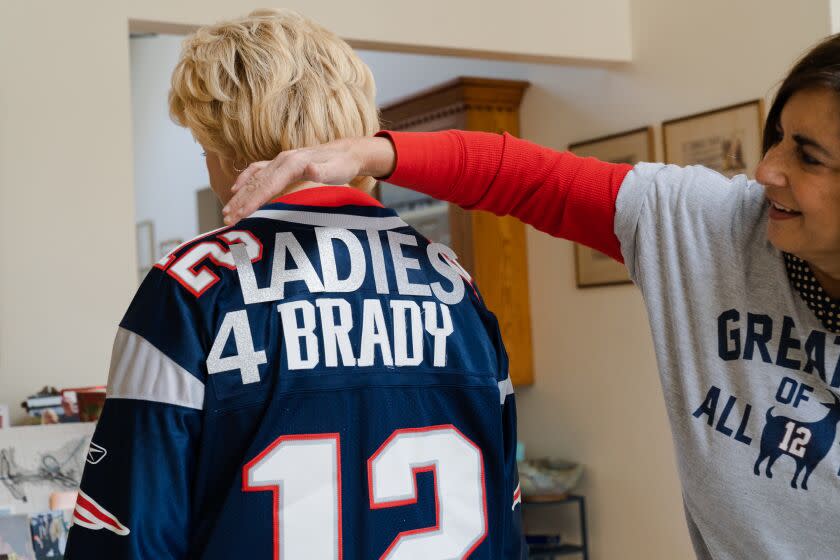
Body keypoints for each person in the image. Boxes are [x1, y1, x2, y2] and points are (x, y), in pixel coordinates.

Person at [222, 34, 840, 560]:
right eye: (778, 137)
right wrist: (366, 152)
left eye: (808, 158)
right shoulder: (716, 225)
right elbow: (519, 174)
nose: (768, 170)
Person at [64, 9, 524, 559]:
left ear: (231, 152)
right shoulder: (455, 285)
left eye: (203, 146)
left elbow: (126, 535)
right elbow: (506, 520)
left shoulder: (191, 289)